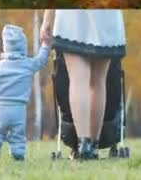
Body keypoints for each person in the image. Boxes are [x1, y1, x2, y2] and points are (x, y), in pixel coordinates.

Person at [40, 10, 126, 159]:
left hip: (72, 16)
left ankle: (83, 145)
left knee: (78, 79)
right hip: (106, 12)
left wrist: (47, 18)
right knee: (99, 81)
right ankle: (93, 146)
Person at [0, 24, 50, 161]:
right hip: (19, 109)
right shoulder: (28, 64)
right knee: (18, 134)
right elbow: (41, 61)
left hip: (0, 108)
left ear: (6, 46)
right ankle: (18, 154)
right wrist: (45, 45)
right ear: (23, 46)